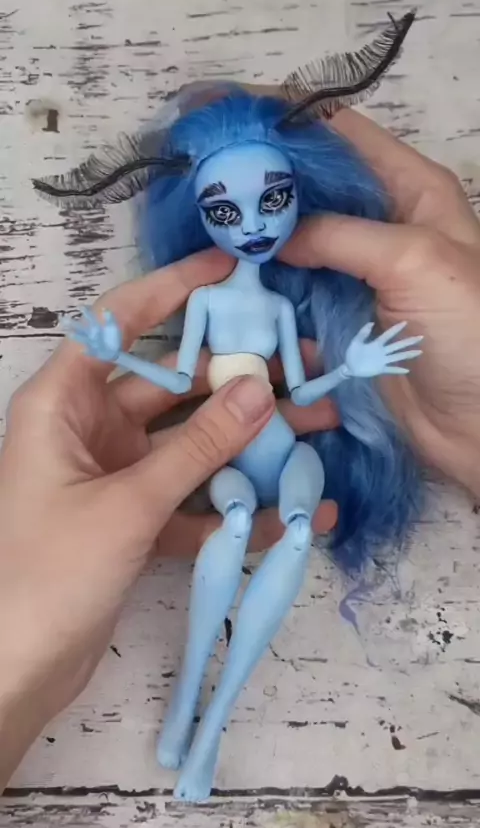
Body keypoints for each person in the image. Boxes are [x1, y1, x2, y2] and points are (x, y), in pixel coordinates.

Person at [1, 104, 480, 794]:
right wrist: (118, 357)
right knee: (230, 523)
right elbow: (178, 378)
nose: (253, 225)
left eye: (273, 200)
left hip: (286, 453)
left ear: (299, 195)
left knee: (295, 533)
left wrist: (353, 367)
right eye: (225, 212)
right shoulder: (206, 304)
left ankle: (212, 726)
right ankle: (186, 699)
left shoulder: (281, 309)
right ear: (200, 216)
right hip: (231, 465)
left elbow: (305, 386)